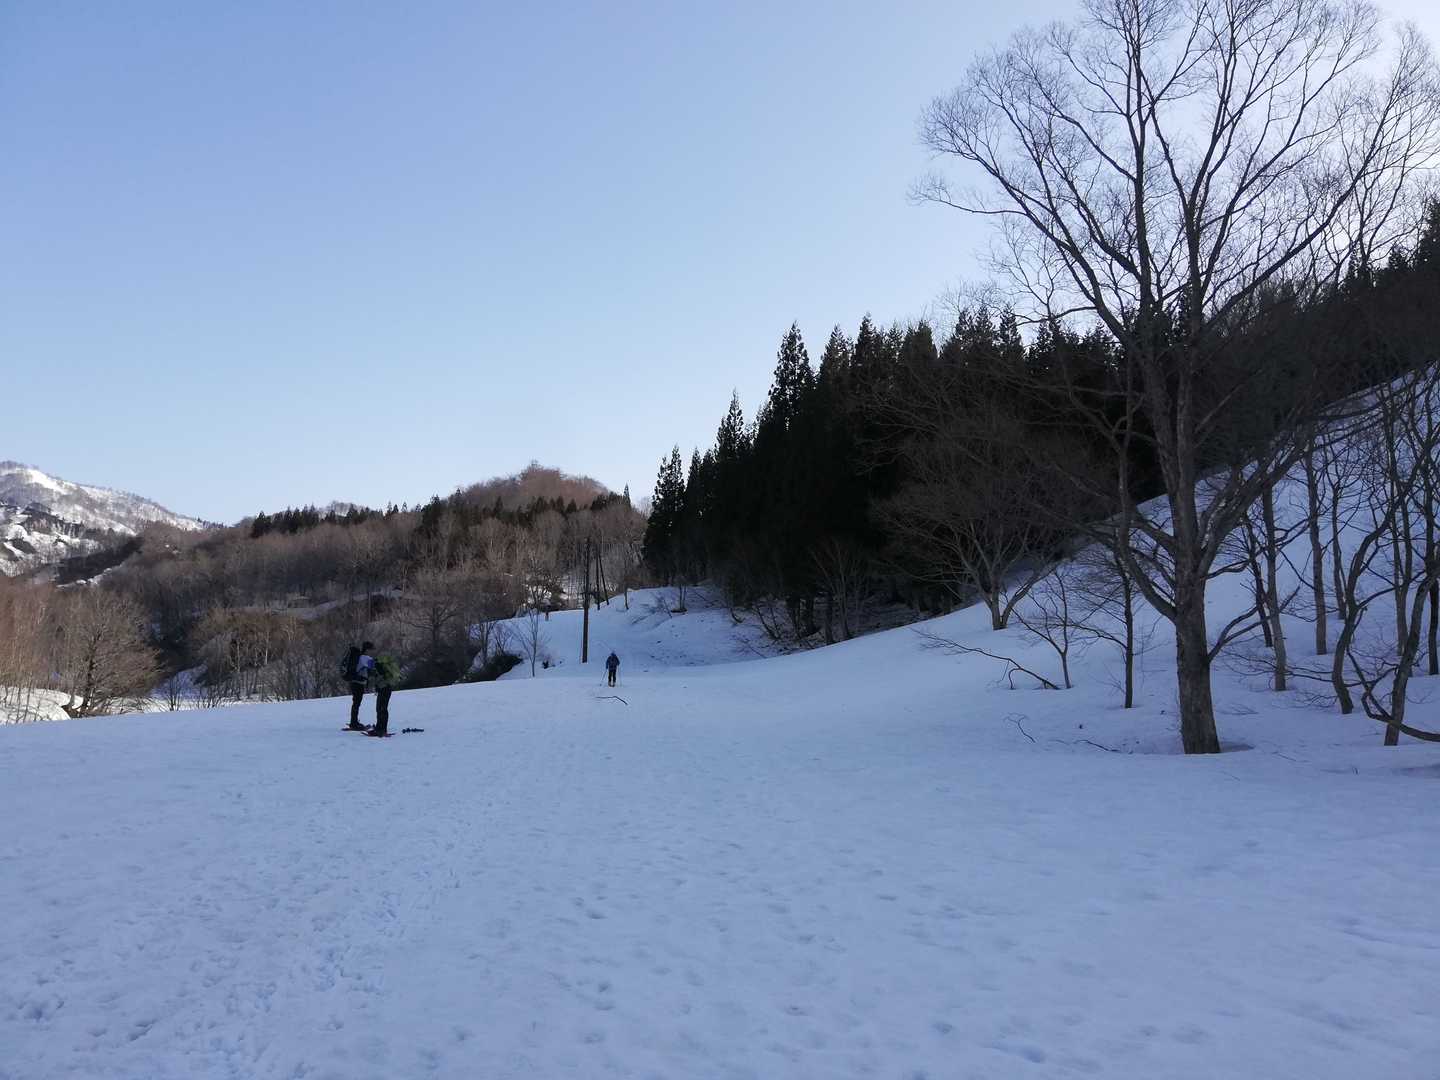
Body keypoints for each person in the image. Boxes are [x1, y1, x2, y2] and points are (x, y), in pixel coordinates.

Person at [367, 653, 401, 737]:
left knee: (382, 709)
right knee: (379, 708)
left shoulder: (378, 668)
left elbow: (381, 678)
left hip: (385, 688)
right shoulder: (377, 667)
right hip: (384, 688)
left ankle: (382, 729)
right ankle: (379, 728)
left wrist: (377, 685)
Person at [345, 641, 374, 730]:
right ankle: (354, 723)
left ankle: (354, 722)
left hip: (353, 682)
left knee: (355, 702)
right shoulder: (365, 658)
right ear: (367, 649)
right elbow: (373, 667)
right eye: (371, 649)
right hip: (359, 683)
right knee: (357, 703)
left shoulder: (357, 657)